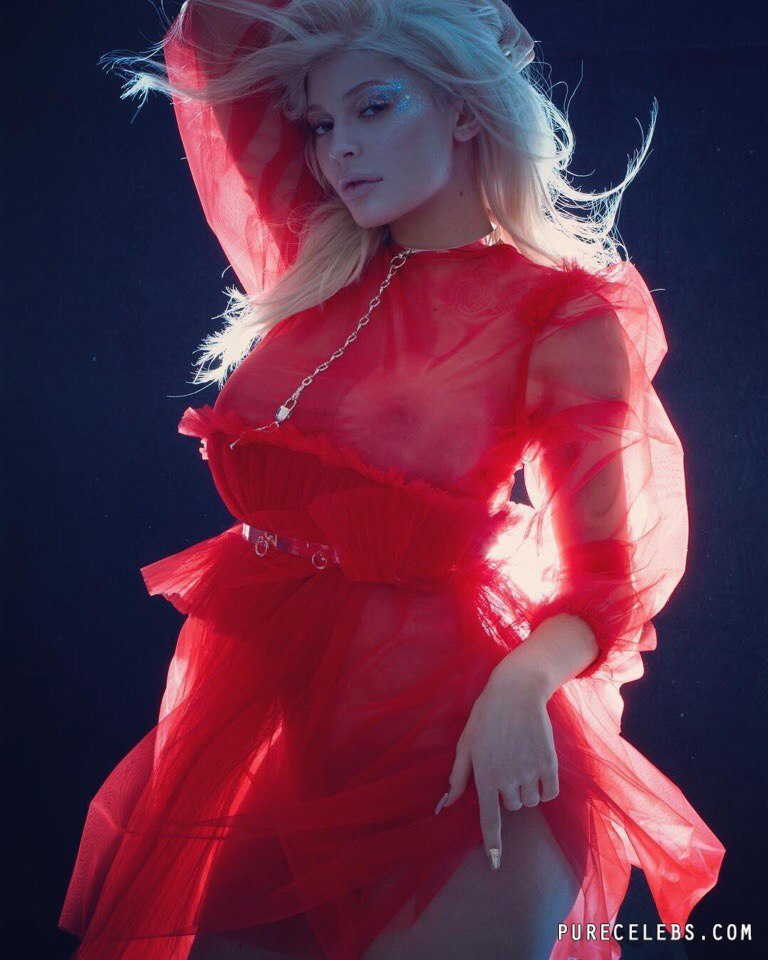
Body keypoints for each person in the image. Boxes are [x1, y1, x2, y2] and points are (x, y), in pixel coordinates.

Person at [59, 2, 725, 959]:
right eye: (320, 124)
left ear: (464, 107)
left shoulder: (558, 313)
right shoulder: (317, 263)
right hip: (289, 756)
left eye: (375, 107)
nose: (339, 150)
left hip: (461, 757)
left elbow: (606, 582)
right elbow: (216, 31)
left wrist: (521, 685)